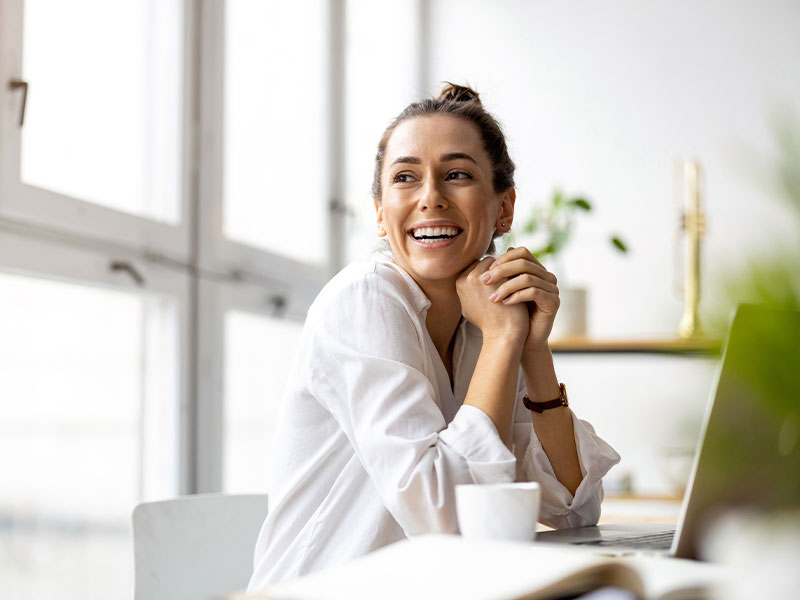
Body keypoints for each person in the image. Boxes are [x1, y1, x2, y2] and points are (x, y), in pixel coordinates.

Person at [247, 84, 619, 590]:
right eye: (405, 178)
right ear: (380, 211)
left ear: (504, 208)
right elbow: (445, 519)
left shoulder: (482, 324)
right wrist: (505, 342)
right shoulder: (365, 300)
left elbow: (575, 509)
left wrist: (532, 349)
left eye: (458, 175)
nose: (430, 198)